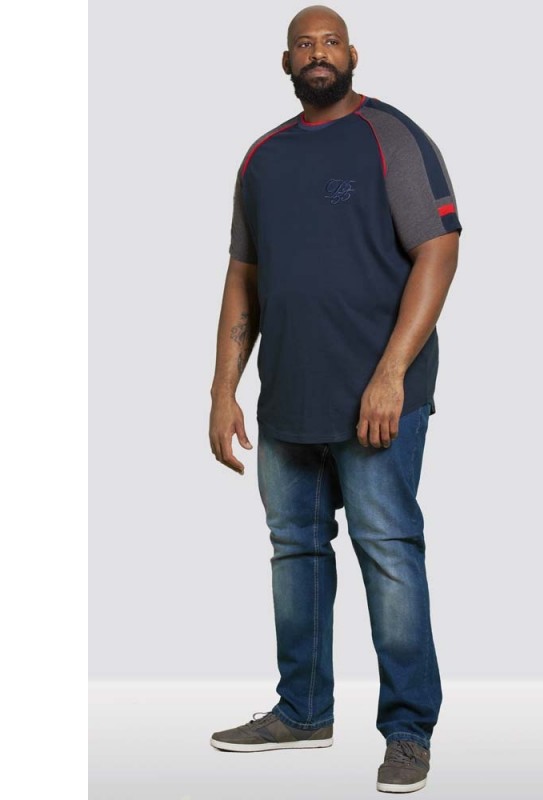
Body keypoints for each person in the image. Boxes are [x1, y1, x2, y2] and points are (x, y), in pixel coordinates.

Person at [207, 5, 462, 793]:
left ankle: (408, 731)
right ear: (286, 62)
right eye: (303, 44)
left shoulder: (393, 138)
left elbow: (439, 251)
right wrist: (222, 389)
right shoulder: (263, 159)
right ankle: (303, 711)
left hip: (378, 399)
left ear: (353, 55)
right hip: (289, 398)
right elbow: (243, 275)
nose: (318, 53)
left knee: (389, 553)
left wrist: (391, 374)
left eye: (330, 41)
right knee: (295, 552)